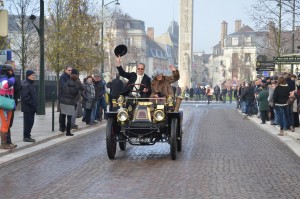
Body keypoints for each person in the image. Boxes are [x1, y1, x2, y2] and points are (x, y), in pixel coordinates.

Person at [0, 65, 16, 149]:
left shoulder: (6, 78)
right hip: (4, 105)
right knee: (5, 124)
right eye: (11, 70)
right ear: (8, 71)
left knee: (7, 124)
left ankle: (5, 142)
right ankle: (3, 143)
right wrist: (13, 78)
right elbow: (6, 85)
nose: (12, 71)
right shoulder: (3, 78)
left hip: (8, 104)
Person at [21, 70, 38, 142]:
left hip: (31, 107)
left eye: (34, 75)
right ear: (28, 76)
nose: (33, 76)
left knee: (30, 122)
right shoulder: (26, 84)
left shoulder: (29, 83)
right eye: (32, 75)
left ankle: (28, 135)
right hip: (28, 107)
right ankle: (26, 137)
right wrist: (32, 103)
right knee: (28, 122)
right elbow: (25, 97)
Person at [58, 66, 72, 132]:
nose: (70, 71)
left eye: (71, 70)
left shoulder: (70, 77)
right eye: (69, 70)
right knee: (63, 113)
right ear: (65, 70)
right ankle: (62, 127)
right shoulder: (63, 77)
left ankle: (65, 126)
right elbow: (64, 86)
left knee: (67, 113)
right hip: (63, 97)